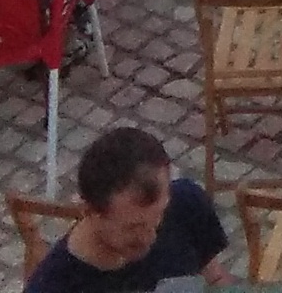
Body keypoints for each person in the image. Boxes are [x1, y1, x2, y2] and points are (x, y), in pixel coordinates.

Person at [24, 125, 228, 292]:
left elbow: (215, 278)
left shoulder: (186, 203)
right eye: (132, 227)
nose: (149, 237)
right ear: (89, 211)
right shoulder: (52, 287)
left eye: (158, 217)